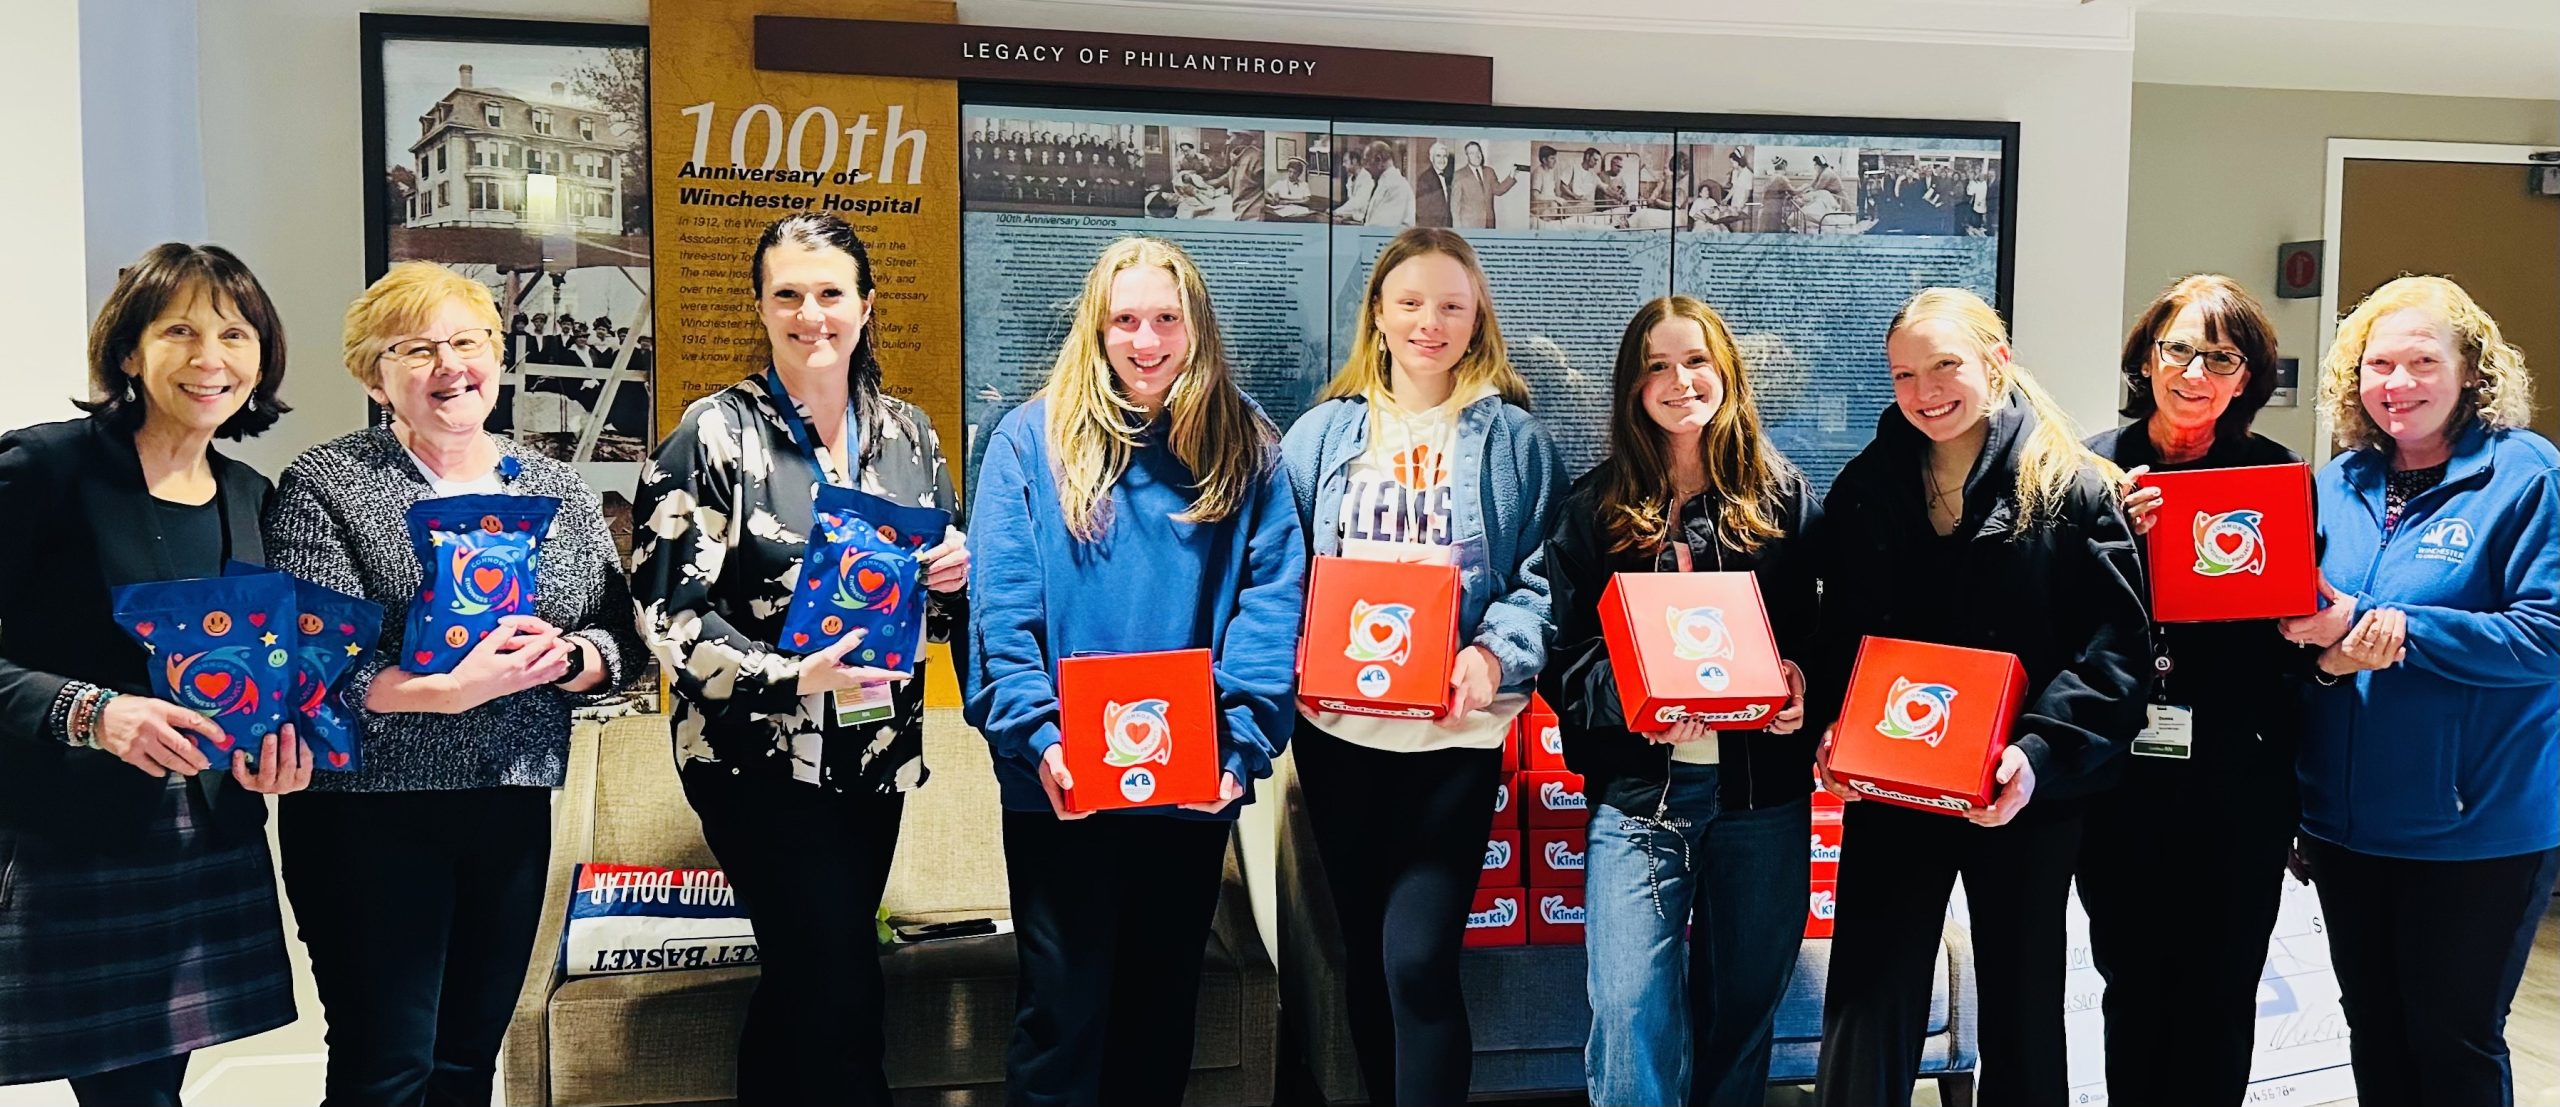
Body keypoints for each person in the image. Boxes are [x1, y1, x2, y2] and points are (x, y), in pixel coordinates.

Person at [263, 261, 647, 1107]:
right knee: (386, 1064)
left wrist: (572, 658)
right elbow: (312, 662)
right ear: (375, 375)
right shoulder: (327, 485)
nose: (450, 365)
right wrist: (445, 689)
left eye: (468, 341)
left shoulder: (558, 490)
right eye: (417, 348)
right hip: (367, 810)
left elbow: (619, 636)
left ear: (498, 357)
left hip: (509, 804)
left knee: (471, 1060)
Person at [629, 212, 968, 1106]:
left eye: (829, 294)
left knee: (806, 986)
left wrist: (953, 572)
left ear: (865, 305)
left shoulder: (910, 436)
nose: (810, 313)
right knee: (840, 992)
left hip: (874, 754)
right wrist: (790, 675)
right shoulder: (712, 434)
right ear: (761, 305)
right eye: (788, 295)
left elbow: (932, 611)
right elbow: (664, 614)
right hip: (757, 762)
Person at [965, 236, 1306, 1107]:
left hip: (1190, 787)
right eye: (1126, 319)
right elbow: (1004, 611)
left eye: (1165, 318)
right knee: (1061, 1022)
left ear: (1196, 326)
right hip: (1062, 788)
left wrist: (1237, 744)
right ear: (1098, 326)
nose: (1146, 340)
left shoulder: (1247, 442)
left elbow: (1272, 606)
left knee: (1159, 1022)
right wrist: (1039, 741)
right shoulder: (1027, 440)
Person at [1810, 287, 2147, 1107]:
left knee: (2023, 1006)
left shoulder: (2076, 488)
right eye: (1903, 375)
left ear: (1997, 361)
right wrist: (1832, 727)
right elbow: (1838, 630)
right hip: (1895, 783)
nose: (1925, 390)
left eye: (1946, 365)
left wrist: (2035, 758)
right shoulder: (1866, 488)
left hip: (2024, 791)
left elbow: (2115, 657)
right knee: (1867, 997)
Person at [0, 243, 309, 1107]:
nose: (211, 359)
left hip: (207, 837)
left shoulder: (254, 495)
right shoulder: (45, 469)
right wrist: (95, 711)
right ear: (130, 351)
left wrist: (281, 750)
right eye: (181, 331)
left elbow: (260, 674)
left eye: (235, 334)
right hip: (71, 837)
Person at [1280, 227, 1562, 1106]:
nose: (1429, 323)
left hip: (1453, 739)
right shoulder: (1323, 434)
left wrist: (1490, 654)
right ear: (1378, 312)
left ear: (1477, 318)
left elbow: (1546, 577)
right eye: (1410, 303)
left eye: (1450, 304)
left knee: (1418, 960)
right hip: (1338, 735)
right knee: (1365, 953)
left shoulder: (1514, 441)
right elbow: (1279, 565)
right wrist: (1287, 645)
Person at [2279, 275, 2558, 1107]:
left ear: (2472, 370)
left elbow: (2547, 636)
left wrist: (2397, 630)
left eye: (2423, 362)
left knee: (2452, 1037)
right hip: (2348, 825)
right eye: (2380, 364)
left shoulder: (2528, 476)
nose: (2399, 384)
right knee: (2374, 1027)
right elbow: (2311, 633)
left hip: (2478, 829)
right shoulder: (2338, 482)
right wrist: (2324, 654)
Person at [1531, 296, 1818, 1107]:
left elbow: (1821, 637)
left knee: (1741, 1012)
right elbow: (1562, 660)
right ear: (1630, 388)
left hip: (1760, 802)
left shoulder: (1784, 499)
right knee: (1627, 1010)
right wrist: (1636, 699)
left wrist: (1803, 685)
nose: (1679, 380)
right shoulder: (1592, 511)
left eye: (1695, 360)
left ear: (1725, 372)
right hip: (1640, 801)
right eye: (1656, 365)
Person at [2078, 274, 2302, 1106]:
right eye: (2178, 349)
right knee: (2131, 979)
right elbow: (2056, 615)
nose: (2195, 372)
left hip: (2238, 774)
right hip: (2122, 775)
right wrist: (2113, 539)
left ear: (2247, 376)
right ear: (2147, 357)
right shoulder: (2094, 466)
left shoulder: (2273, 475)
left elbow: (2291, 631)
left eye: (2222, 355)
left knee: (2220, 984)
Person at [1336, 140, 1414, 227]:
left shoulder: (1395, 186)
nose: (1365, 167)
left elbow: (1381, 227)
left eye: (1366, 161)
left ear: (1378, 159)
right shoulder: (1382, 183)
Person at [1451, 140, 1518, 229]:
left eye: (1478, 151)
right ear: (1467, 156)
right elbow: (1455, 206)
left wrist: (1511, 176)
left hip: (1489, 223)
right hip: (1469, 225)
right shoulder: (1459, 175)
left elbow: (1498, 190)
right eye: (1472, 153)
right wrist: (1458, 228)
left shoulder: (1489, 171)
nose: (1477, 156)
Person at [1414, 141, 1454, 228]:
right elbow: (1421, 211)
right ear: (1432, 159)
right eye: (1438, 156)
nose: (1442, 160)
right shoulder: (1425, 179)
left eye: (1445, 156)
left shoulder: (1448, 178)